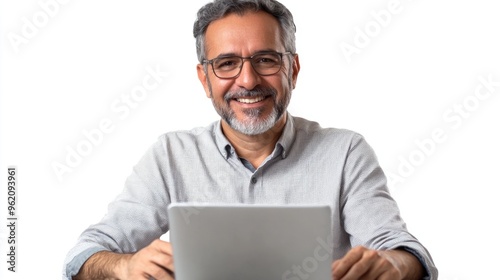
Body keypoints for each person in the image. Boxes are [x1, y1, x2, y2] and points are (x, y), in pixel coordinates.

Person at [63, 0, 438, 279]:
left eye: (266, 60)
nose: (247, 81)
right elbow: (83, 257)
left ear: (292, 67)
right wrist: (125, 266)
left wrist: (395, 264)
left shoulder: (345, 152)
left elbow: (407, 253)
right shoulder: (170, 155)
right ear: (204, 78)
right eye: (227, 63)